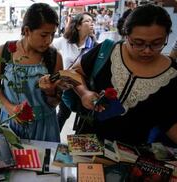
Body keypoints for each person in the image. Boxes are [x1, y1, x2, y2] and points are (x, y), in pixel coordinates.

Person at [72, 4, 177, 146]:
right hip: (87, 144)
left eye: (157, 43)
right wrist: (84, 93)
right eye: (138, 43)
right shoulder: (107, 51)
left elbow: (170, 122)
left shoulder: (172, 74)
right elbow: (74, 72)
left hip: (132, 156)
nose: (147, 50)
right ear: (126, 34)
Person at [0, 3, 73, 142]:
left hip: (44, 127)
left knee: (43, 163)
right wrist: (9, 107)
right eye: (44, 35)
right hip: (11, 125)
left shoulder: (54, 56)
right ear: (27, 30)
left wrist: (50, 91)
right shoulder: (4, 52)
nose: (49, 40)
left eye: (52, 34)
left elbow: (55, 102)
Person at [52, 12, 97, 131]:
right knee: (62, 115)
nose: (91, 23)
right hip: (66, 87)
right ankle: (53, 142)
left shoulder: (95, 46)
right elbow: (48, 49)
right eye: (87, 21)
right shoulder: (65, 41)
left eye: (92, 21)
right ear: (78, 26)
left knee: (83, 120)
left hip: (84, 88)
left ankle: (78, 146)